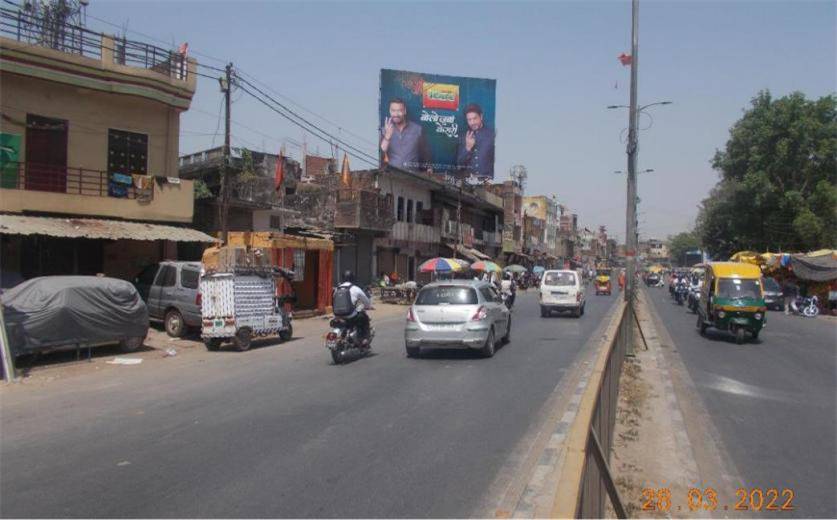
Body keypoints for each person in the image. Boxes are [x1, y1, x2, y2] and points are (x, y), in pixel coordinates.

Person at [380, 98, 429, 171]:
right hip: (391, 176)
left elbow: (425, 153)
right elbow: (380, 154)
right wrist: (387, 136)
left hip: (413, 177)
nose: (396, 114)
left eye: (399, 110)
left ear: (405, 111)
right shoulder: (383, 130)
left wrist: (429, 168)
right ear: (390, 111)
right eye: (393, 111)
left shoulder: (418, 129)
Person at [456, 103, 496, 178]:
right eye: (469, 120)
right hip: (467, 185)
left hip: (488, 184)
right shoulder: (462, 137)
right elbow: (459, 166)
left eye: (475, 118)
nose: (472, 122)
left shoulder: (492, 135)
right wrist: (467, 148)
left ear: (481, 116)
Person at [333, 270, 372, 344]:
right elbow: (366, 302)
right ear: (352, 278)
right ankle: (365, 338)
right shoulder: (355, 288)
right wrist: (368, 306)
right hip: (350, 315)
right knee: (364, 317)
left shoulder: (336, 289)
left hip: (337, 315)